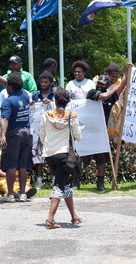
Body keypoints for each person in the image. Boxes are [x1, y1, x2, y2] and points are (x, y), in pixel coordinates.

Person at [83, 63, 131, 191]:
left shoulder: (112, 96)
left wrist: (127, 70)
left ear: (108, 85)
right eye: (100, 83)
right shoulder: (92, 92)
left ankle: (100, 182)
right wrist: (115, 89)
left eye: (104, 84)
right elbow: (102, 96)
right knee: (83, 157)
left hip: (101, 131)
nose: (101, 86)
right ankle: (75, 180)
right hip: (88, 130)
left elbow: (122, 85)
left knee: (101, 158)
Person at [39, 87, 82, 228]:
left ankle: (74, 216)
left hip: (49, 155)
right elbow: (78, 137)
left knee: (65, 184)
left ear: (55, 100)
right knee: (59, 185)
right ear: (68, 101)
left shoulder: (46, 115)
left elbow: (42, 136)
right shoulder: (72, 115)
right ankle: (50, 219)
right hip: (65, 155)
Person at [0, 73, 33, 203]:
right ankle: (23, 194)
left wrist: (3, 135)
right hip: (27, 134)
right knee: (23, 165)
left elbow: (4, 118)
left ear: (10, 86)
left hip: (14, 134)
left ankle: (11, 194)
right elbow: (8, 82)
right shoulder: (24, 95)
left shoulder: (7, 101)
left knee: (11, 165)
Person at [31, 71, 56, 189]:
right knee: (38, 156)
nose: (43, 84)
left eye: (46, 82)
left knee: (52, 155)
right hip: (38, 130)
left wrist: (51, 103)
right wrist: (31, 104)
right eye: (42, 82)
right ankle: (39, 181)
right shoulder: (35, 96)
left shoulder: (56, 95)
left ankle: (54, 179)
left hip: (52, 130)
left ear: (51, 83)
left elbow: (62, 107)